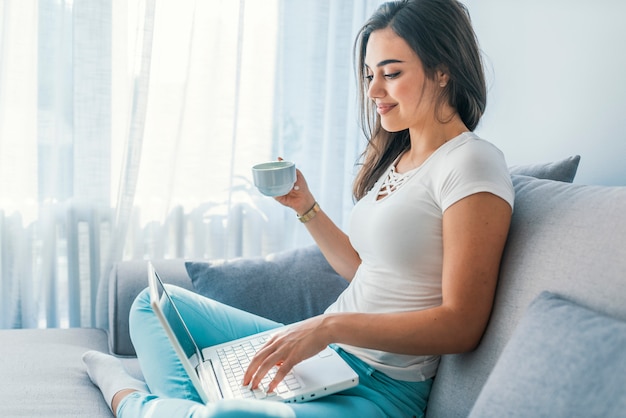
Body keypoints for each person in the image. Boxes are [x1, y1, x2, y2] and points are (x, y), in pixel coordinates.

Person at [82, 0, 514, 417]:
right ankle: (193, 409)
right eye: (368, 75)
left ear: (443, 71)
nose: (374, 91)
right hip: (327, 357)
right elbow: (365, 269)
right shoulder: (398, 159)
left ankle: (129, 398)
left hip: (381, 388)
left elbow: (463, 324)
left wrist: (328, 328)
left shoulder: (471, 162)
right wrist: (306, 208)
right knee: (151, 307)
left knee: (224, 416)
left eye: (391, 73)